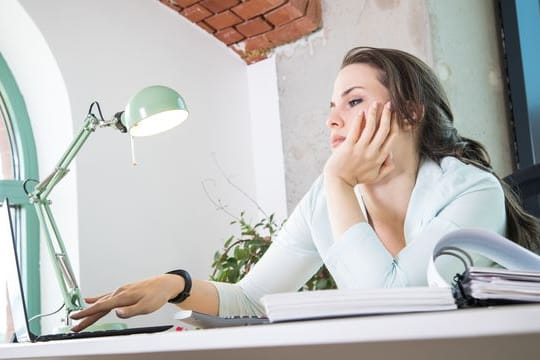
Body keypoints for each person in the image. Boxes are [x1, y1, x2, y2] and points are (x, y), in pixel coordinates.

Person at [71, 47, 540, 332]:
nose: (333, 119)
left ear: (410, 112)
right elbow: (253, 299)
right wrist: (177, 285)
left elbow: (392, 303)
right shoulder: (325, 199)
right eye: (331, 106)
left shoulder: (470, 190)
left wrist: (338, 180)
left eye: (354, 101)